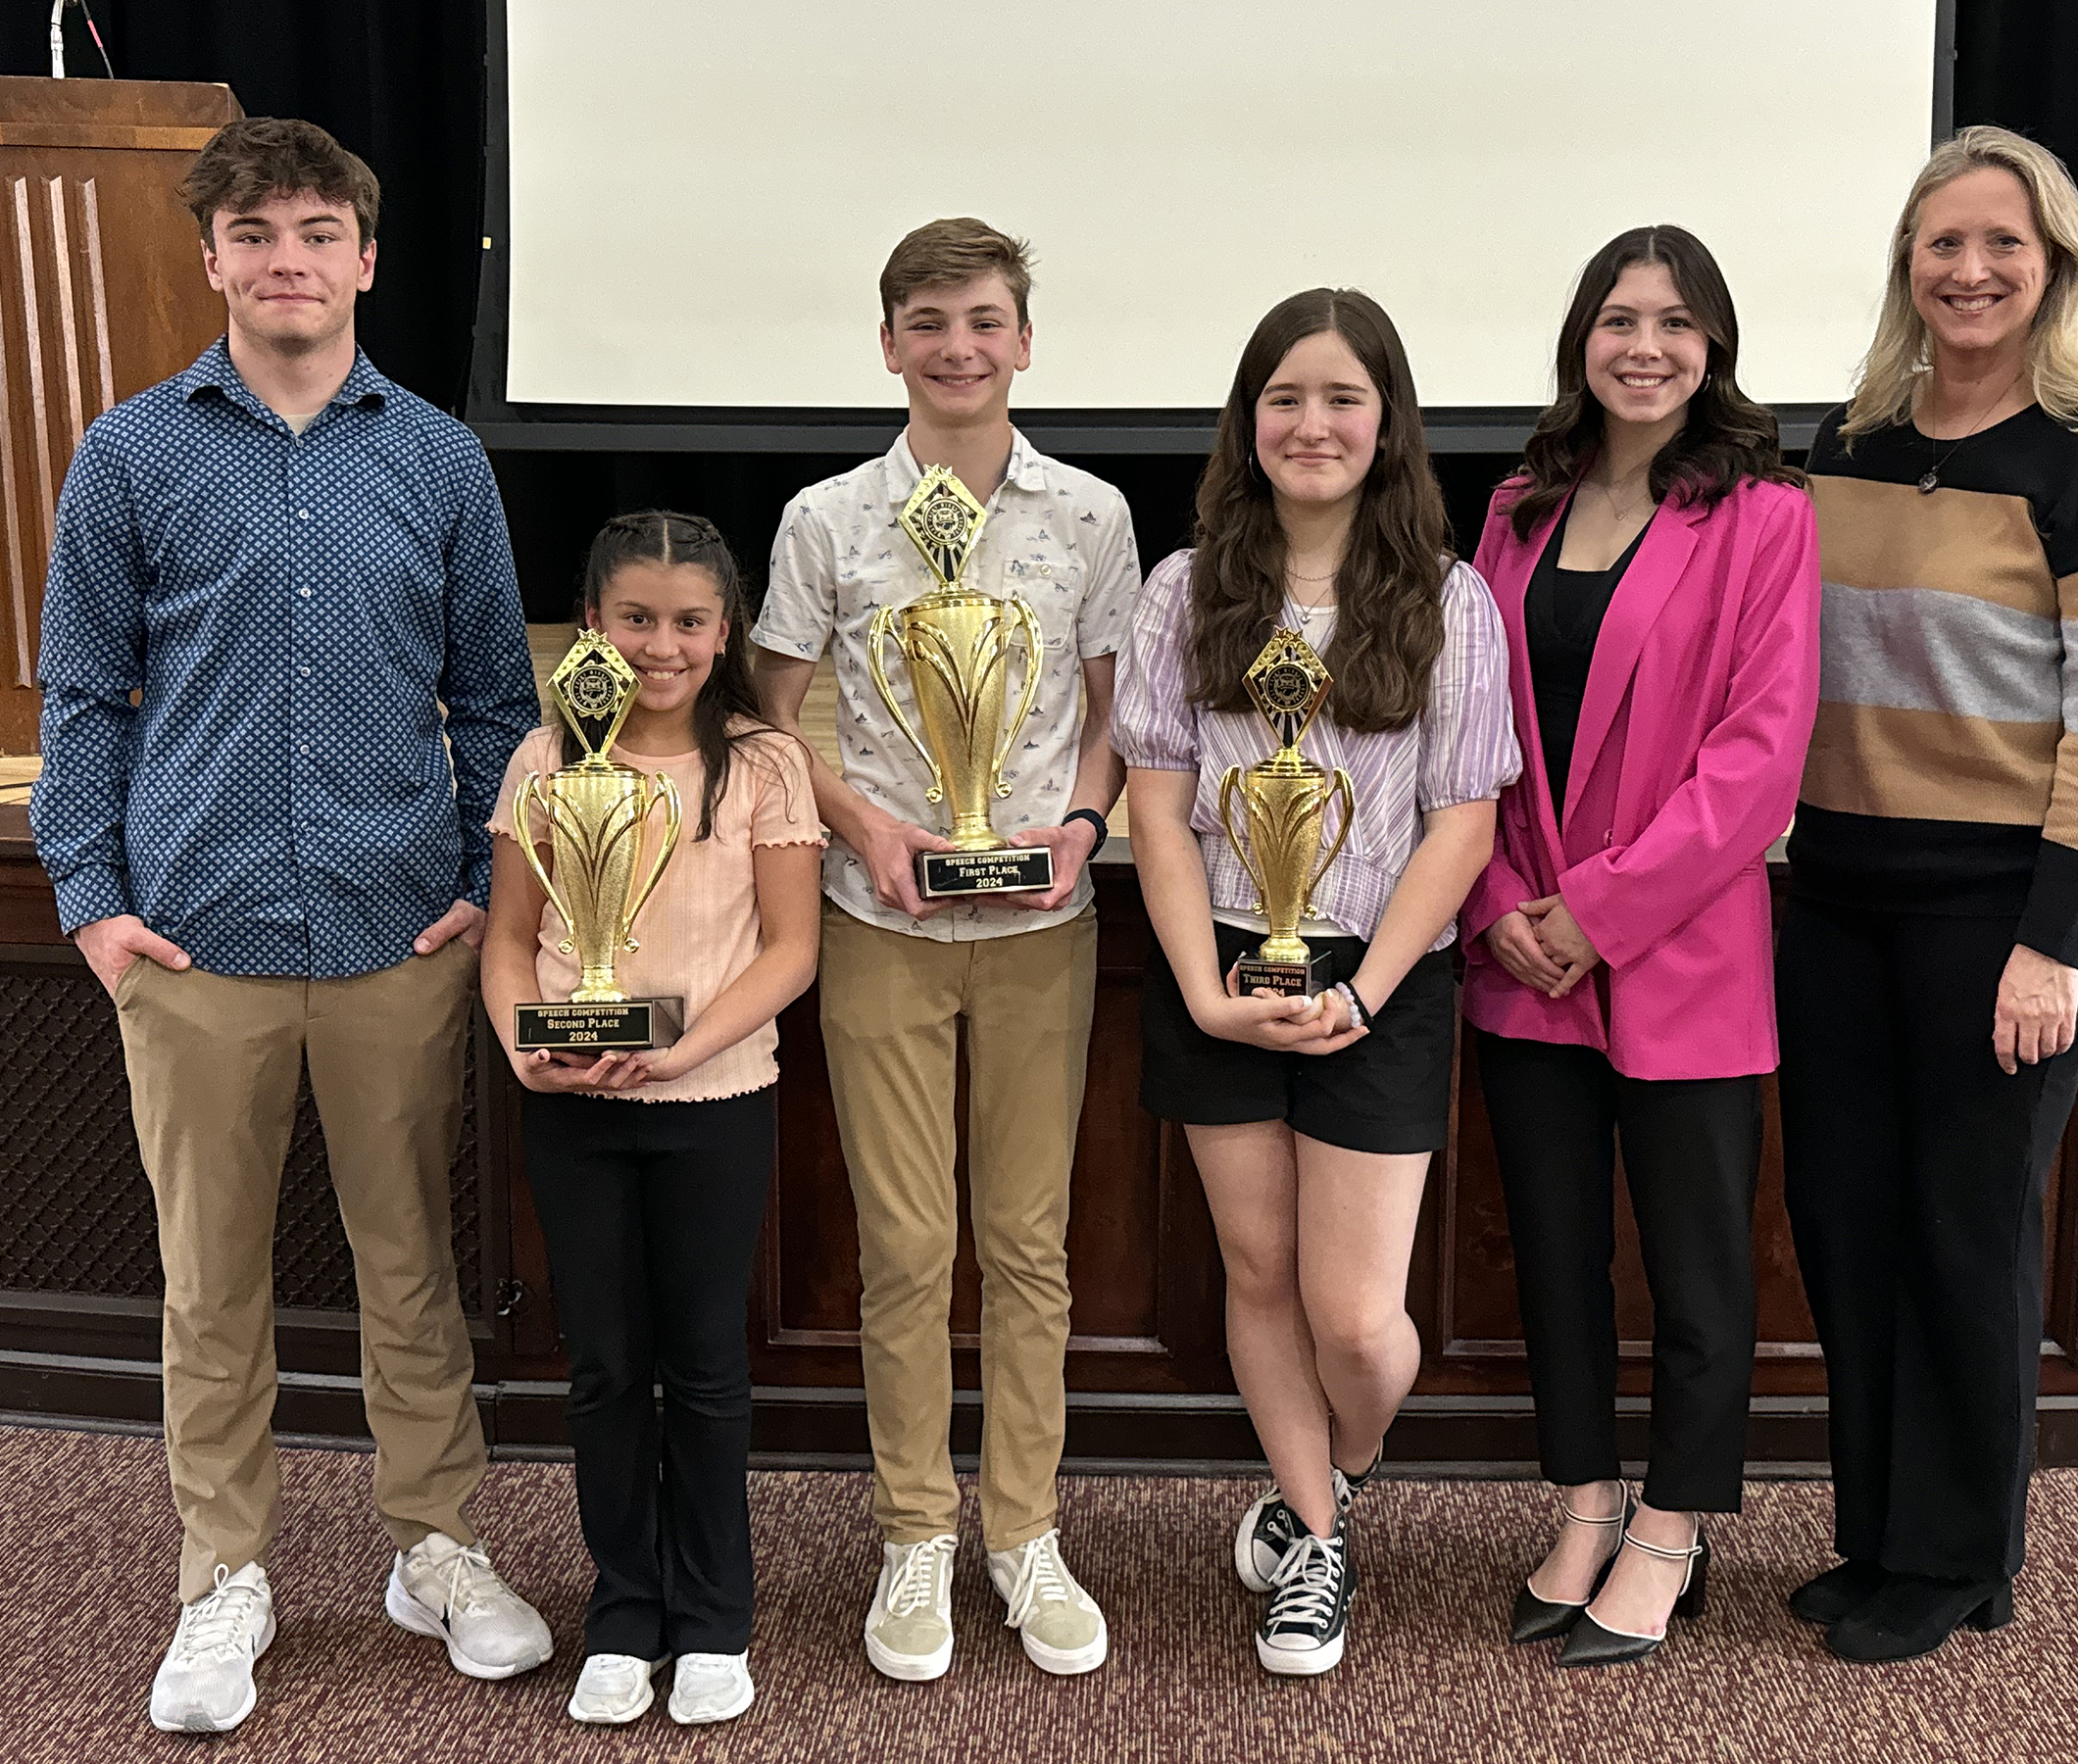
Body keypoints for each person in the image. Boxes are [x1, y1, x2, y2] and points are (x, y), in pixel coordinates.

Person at [29, 118, 551, 1735]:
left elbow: (497, 699)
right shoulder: (130, 455)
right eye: (254, 234)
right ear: (212, 259)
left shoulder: (441, 462)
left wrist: (483, 881)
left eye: (318, 232)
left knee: (413, 1271)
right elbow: (82, 700)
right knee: (210, 1286)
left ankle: (435, 1547)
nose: (287, 262)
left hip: (399, 937)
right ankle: (223, 1577)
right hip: (196, 943)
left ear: (367, 259)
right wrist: (92, 904)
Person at [1780, 125, 2078, 1664]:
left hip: (2006, 907)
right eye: (1942, 243)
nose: (1969, 270)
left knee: (1964, 1232)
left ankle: (1957, 1562)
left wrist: (2055, 946)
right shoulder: (1852, 447)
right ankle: (1883, 1538)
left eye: (2002, 244)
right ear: (1909, 264)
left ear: (2055, 266)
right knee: (1845, 1221)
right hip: (1841, 892)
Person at [752, 219, 1139, 1683]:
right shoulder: (827, 519)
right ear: (888, 344)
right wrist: (860, 824)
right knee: (909, 1249)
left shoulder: (1091, 516)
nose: (958, 347)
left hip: (1043, 926)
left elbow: (1113, 712)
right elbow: (768, 714)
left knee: (1030, 1246)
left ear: (1026, 340)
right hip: (880, 927)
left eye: (984, 320)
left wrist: (1084, 824)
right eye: (928, 322)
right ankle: (916, 1528)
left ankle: (1024, 1529)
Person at [1115, 288, 1517, 1676]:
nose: (1313, 423)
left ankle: (1339, 1467)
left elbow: (1462, 823)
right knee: (1257, 1268)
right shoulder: (1182, 592)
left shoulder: (1451, 601)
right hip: (1219, 961)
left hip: (1379, 973)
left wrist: (1364, 992)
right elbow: (1160, 808)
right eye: (1284, 397)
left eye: (1344, 397)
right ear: (1248, 421)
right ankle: (1317, 1540)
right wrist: (1202, 989)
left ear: (1388, 422)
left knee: (1353, 1316)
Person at [1458, 227, 1820, 1667]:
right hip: (1522, 952)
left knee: (1695, 1268)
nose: (1646, 347)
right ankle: (1584, 1504)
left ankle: (1673, 1530)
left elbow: (1758, 761)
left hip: (1677, 949)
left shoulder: (1766, 518)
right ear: (1582, 339)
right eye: (1620, 319)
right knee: (1554, 1258)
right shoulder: (1516, 509)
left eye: (1676, 322)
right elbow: (1467, 728)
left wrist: (1597, 911)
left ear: (1713, 346)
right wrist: (1498, 903)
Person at [481, 512, 822, 1726]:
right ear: (591, 624)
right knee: (605, 1367)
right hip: (573, 1108)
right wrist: (527, 1050)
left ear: (725, 632)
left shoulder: (764, 763)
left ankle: (716, 1616)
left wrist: (682, 1046)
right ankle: (624, 1614)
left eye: (687, 622)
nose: (660, 646)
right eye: (635, 619)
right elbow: (510, 942)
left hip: (715, 1100)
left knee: (708, 1364)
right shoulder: (545, 760)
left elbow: (791, 949)